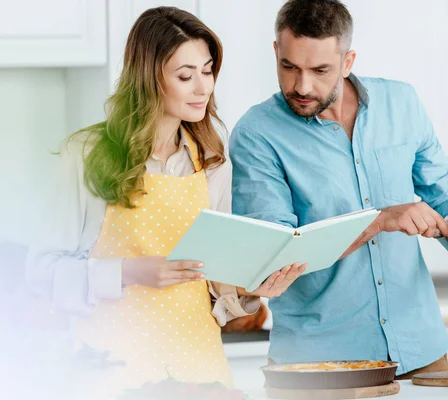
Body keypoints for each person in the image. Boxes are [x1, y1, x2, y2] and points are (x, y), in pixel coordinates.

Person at [25, 6, 304, 396]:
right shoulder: (87, 155)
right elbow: (41, 274)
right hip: (112, 375)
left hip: (201, 374)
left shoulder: (212, 163)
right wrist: (128, 272)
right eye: (185, 76)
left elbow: (216, 287)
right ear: (148, 78)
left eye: (207, 71)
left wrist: (251, 292)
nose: (203, 88)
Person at [230, 0, 448, 378]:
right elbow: (276, 258)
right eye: (289, 67)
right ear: (276, 52)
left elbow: (444, 192)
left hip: (421, 351)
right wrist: (380, 220)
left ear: (348, 62)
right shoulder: (257, 134)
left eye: (320, 70)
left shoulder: (401, 103)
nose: (301, 85)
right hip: (320, 365)